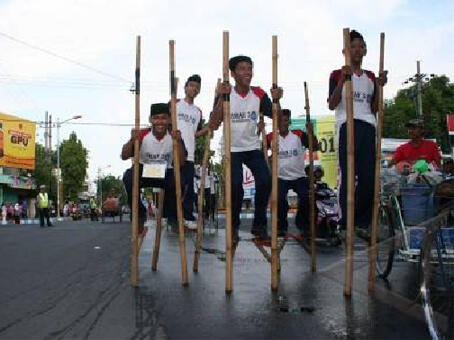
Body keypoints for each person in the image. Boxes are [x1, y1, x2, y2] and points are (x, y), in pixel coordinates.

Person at [209, 55, 283, 241]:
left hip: (251, 147)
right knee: (235, 186)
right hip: (232, 148)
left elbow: (278, 118)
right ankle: (233, 227)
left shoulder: (258, 93)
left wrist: (276, 100)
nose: (247, 72)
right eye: (241, 68)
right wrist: (220, 98)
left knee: (266, 180)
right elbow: (214, 123)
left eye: (249, 68)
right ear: (233, 74)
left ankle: (259, 226)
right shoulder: (226, 93)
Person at [328, 29, 387, 233]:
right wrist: (344, 80)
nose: (357, 50)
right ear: (345, 50)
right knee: (348, 174)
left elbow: (374, 108)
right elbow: (332, 104)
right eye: (352, 46)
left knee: (369, 177)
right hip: (347, 124)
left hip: (367, 126)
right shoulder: (337, 74)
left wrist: (380, 87)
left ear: (365, 51)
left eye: (360, 46)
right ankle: (344, 221)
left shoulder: (370, 77)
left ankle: (361, 220)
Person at [121, 103, 186, 236]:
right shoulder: (143, 134)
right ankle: (139, 213)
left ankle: (172, 217)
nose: (160, 122)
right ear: (150, 119)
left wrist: (179, 142)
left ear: (168, 120)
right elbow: (124, 155)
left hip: (164, 171)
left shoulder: (173, 136)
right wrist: (132, 140)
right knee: (129, 177)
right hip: (145, 170)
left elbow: (181, 162)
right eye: (156, 118)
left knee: (180, 180)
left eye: (163, 118)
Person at [266, 109, 318, 237]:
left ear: (289, 122)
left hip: (298, 176)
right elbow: (258, 149)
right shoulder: (271, 136)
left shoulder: (298, 134)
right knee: (279, 200)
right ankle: (281, 226)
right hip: (281, 177)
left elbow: (314, 147)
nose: (282, 124)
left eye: (285, 121)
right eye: (280, 121)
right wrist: (258, 131)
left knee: (306, 198)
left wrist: (311, 133)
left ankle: (302, 224)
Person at [177, 75, 209, 229]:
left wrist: (207, 130)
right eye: (191, 85)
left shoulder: (197, 112)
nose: (193, 89)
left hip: (189, 153)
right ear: (185, 87)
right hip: (174, 152)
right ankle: (169, 215)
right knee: (174, 184)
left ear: (199, 91)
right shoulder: (175, 104)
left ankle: (187, 217)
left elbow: (194, 132)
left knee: (188, 186)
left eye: (197, 87)